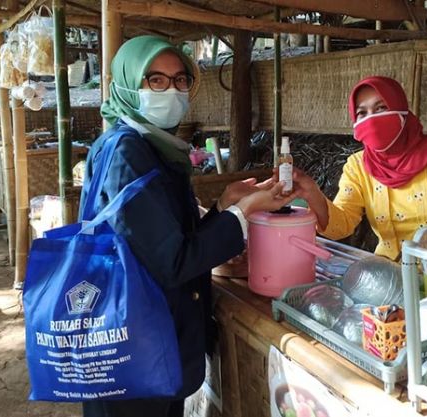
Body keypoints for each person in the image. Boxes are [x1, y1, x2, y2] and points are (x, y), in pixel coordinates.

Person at [79, 36, 293, 417]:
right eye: (156, 80)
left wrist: (223, 204)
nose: (172, 91)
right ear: (127, 85)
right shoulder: (128, 152)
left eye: (180, 80)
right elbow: (175, 261)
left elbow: (165, 240)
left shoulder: (148, 146)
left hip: (148, 346)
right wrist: (242, 214)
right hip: (135, 351)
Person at [291, 76, 427, 261]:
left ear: (402, 111)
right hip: (390, 275)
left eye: (381, 108)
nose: (372, 119)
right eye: (362, 113)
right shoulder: (358, 167)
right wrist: (312, 193)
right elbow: (341, 225)